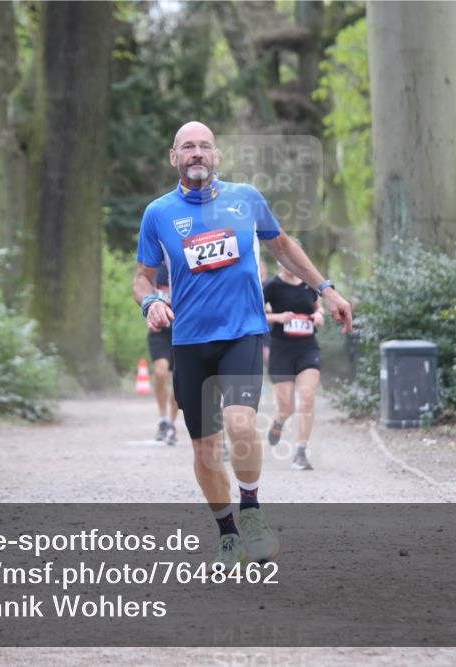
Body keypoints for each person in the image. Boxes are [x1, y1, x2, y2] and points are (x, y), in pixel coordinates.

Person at [133, 121, 353, 568]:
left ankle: (251, 509)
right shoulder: (158, 213)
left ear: (216, 155)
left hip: (243, 333)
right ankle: (228, 533)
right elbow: (143, 276)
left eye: (204, 146)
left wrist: (326, 290)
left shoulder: (245, 199)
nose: (197, 153)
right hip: (190, 341)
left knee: (239, 422)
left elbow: (283, 247)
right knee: (204, 448)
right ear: (173, 158)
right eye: (187, 147)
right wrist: (151, 301)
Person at [263, 253, 323, 470]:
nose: (289, 264)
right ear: (279, 261)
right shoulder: (271, 286)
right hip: (281, 350)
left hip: (307, 348)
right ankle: (278, 422)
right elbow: (255, 313)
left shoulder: (309, 285)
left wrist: (319, 316)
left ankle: (300, 452)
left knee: (306, 398)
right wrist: (278, 318)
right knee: (286, 407)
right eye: (285, 260)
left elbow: (318, 307)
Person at [147, 264, 178, 446]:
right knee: (160, 373)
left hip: (183, 330)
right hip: (159, 331)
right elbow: (144, 290)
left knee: (178, 380)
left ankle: (173, 422)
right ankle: (163, 419)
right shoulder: (156, 269)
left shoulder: (187, 261)